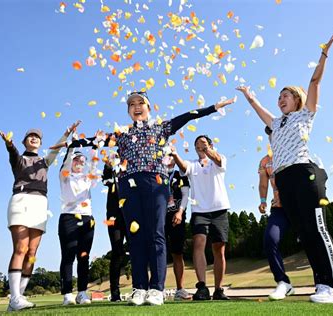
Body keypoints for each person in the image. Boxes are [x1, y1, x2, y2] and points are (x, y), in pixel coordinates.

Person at [66, 91, 235, 306]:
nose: (136, 107)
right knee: (135, 236)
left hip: (156, 183)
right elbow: (94, 141)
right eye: (132, 104)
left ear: (149, 108)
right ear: (128, 111)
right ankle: (139, 288)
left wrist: (213, 107)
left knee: (155, 233)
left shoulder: (161, 127)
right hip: (128, 186)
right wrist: (69, 142)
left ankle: (156, 288)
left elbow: (188, 116)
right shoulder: (121, 134)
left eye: (141, 103)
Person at [237, 32, 333, 303]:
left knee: (316, 229)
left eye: (285, 95)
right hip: (283, 180)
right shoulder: (275, 124)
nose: (280, 98)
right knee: (305, 234)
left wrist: (324, 53)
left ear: (296, 99)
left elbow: (314, 80)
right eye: (278, 96)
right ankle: (322, 285)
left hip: (304, 173)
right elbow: (259, 109)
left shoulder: (305, 113)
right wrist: (249, 97)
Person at [0, 121, 79, 311]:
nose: (34, 138)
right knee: (21, 248)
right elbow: (12, 152)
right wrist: (9, 143)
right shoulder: (19, 159)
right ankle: (15, 297)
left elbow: (56, 151)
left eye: (38, 137)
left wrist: (66, 134)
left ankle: (18, 298)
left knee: (32, 253)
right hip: (21, 200)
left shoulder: (44, 161)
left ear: (40, 143)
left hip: (40, 204)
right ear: (25, 141)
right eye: (30, 136)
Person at [171, 135, 230, 301]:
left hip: (219, 209)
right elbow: (183, 166)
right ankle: (202, 287)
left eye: (203, 143)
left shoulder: (219, 159)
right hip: (199, 211)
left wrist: (208, 150)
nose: (199, 146)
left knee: (219, 248)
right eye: (197, 144)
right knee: (198, 244)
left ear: (211, 145)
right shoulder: (192, 164)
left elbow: (218, 160)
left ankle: (218, 289)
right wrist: (175, 154)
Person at [58, 139, 95, 305]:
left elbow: (94, 167)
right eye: (76, 160)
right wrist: (73, 147)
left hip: (87, 218)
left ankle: (82, 292)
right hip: (68, 217)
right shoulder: (65, 175)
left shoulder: (88, 179)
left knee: (83, 257)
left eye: (82, 161)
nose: (79, 162)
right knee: (68, 256)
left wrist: (95, 149)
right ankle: (67, 294)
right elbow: (66, 162)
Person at [259, 126, 294, 300]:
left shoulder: (295, 152)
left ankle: (324, 282)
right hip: (279, 208)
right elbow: (263, 183)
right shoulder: (266, 161)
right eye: (271, 135)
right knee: (270, 240)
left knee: (313, 240)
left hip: (300, 206)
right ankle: (283, 282)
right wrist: (263, 201)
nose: (273, 138)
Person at [165, 156, 192, 301]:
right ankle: (157, 288)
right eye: (165, 156)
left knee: (177, 253)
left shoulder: (180, 175)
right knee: (159, 252)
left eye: (171, 156)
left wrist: (180, 212)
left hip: (177, 216)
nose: (169, 159)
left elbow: (186, 194)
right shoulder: (157, 174)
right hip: (160, 218)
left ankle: (180, 289)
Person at [102, 162, 127, 302]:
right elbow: (105, 180)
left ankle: (139, 287)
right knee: (117, 251)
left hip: (131, 215)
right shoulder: (111, 171)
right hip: (113, 217)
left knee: (136, 250)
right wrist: (108, 166)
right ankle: (115, 291)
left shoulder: (133, 167)